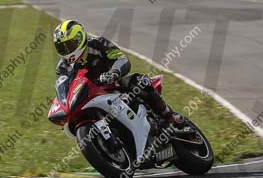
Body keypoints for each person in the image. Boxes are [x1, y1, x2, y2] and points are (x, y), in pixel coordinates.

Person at [52, 19, 189, 130]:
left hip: (114, 85)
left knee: (138, 81)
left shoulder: (98, 43)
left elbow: (121, 58)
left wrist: (113, 73)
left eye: (68, 45)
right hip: (89, 96)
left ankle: (169, 115)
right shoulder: (62, 67)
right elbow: (63, 87)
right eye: (62, 47)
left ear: (79, 39)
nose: (66, 50)